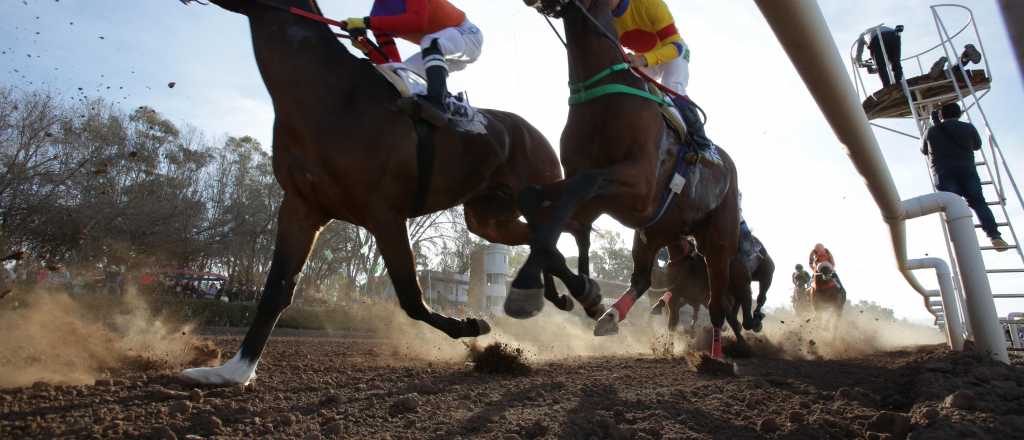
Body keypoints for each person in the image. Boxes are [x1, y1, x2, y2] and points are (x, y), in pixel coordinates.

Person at [611, 0, 715, 160]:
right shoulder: (605, 16)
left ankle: (704, 145)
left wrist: (644, 59)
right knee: (630, 88)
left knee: (671, 86)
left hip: (673, 52)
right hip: (645, 58)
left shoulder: (650, 4)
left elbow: (676, 46)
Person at [344, 0, 483, 115]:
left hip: (467, 36)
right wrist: (366, 47)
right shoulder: (376, 14)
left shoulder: (373, 18)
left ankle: (437, 102)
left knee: (430, 42)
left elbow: (417, 21)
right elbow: (393, 63)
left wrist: (366, 22)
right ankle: (450, 103)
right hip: (439, 53)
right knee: (400, 76)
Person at [922, 103, 1010, 251]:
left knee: (952, 207)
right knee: (979, 203)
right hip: (967, 170)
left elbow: (924, 150)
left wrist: (934, 126)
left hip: (943, 173)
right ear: (960, 113)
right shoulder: (968, 128)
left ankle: (961, 244)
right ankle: (995, 236)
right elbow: (977, 145)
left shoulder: (931, 131)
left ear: (942, 115)